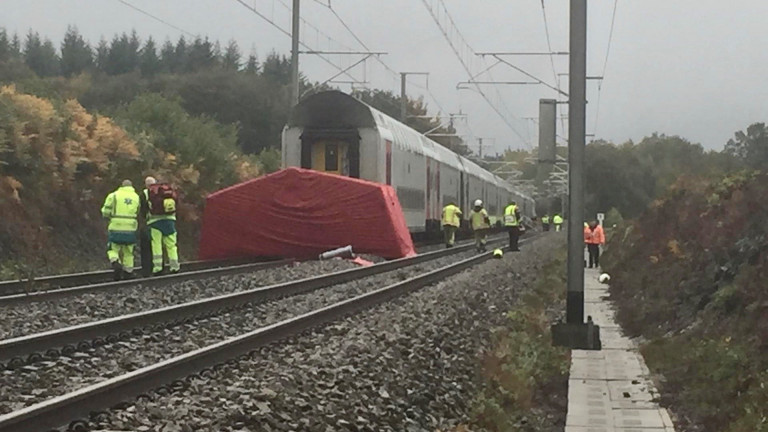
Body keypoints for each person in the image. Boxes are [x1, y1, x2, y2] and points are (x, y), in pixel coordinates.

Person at [101, 179, 140, 280]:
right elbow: (139, 211)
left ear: (122, 186)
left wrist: (109, 216)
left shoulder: (113, 195)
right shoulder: (136, 197)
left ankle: (115, 262)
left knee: (113, 248)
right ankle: (128, 272)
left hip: (116, 226)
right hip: (131, 228)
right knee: (128, 250)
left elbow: (105, 211)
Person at [140, 176, 180, 276]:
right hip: (169, 221)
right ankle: (174, 266)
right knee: (171, 245)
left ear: (146, 185)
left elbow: (144, 209)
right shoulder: (166, 190)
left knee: (156, 245)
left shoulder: (146, 193)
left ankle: (158, 268)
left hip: (155, 222)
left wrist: (145, 218)